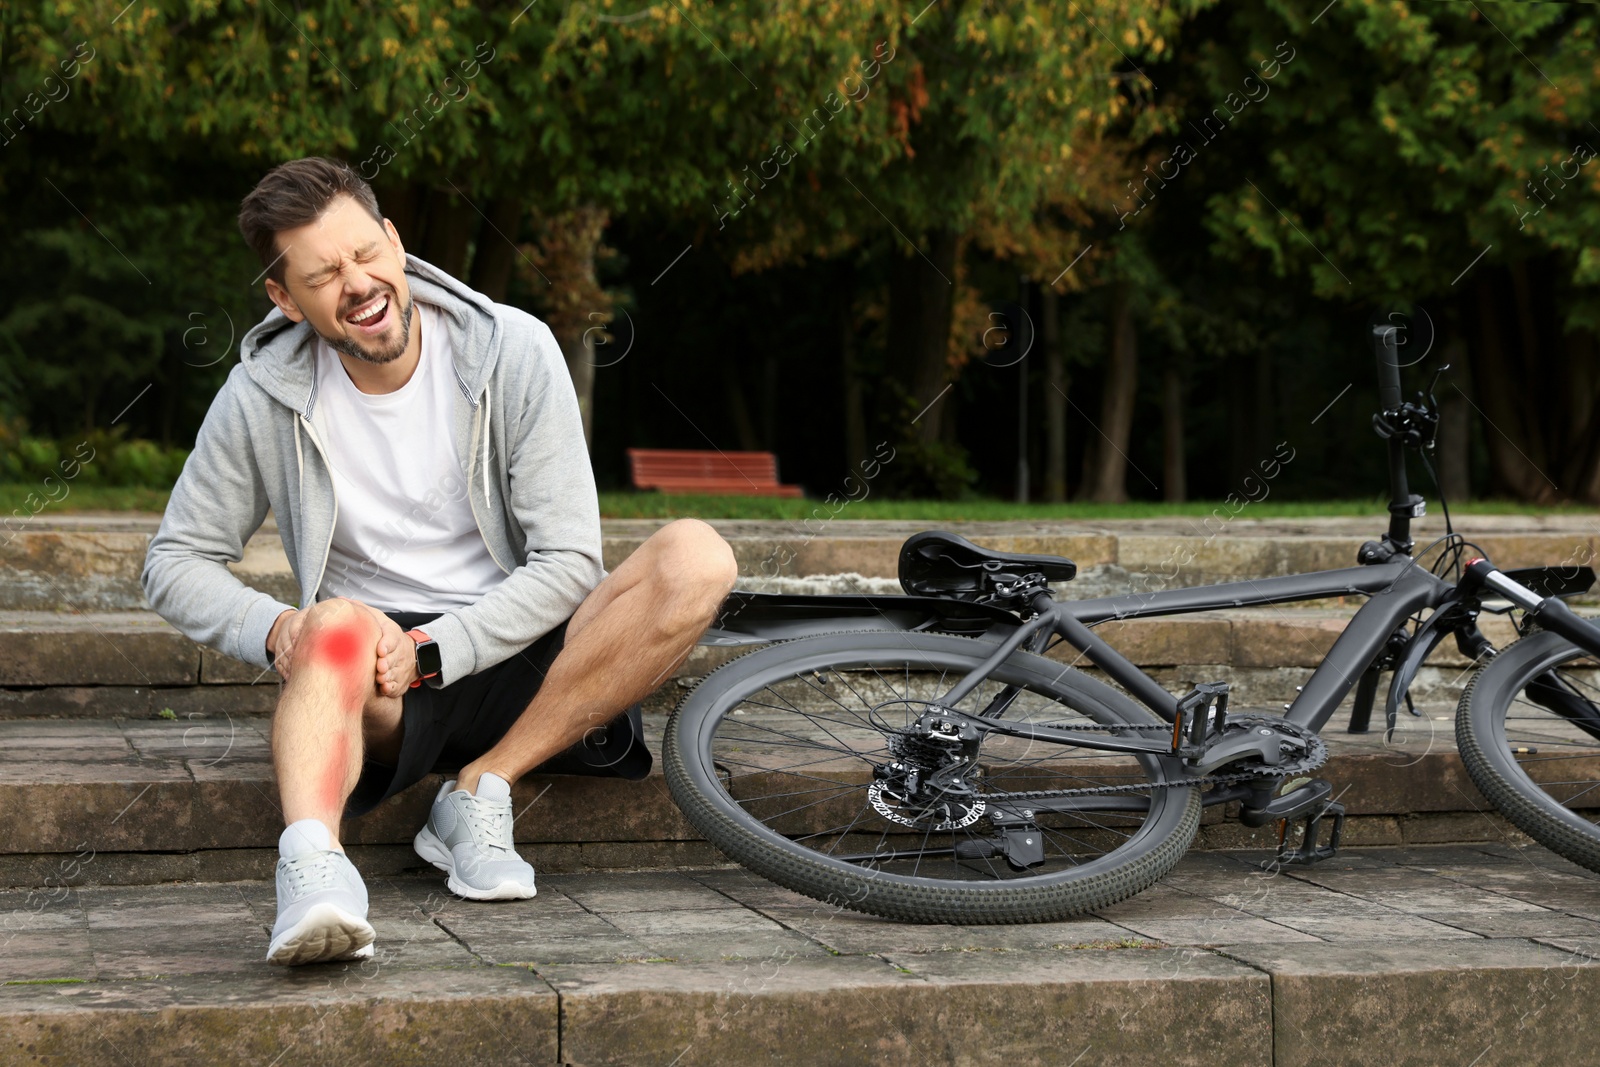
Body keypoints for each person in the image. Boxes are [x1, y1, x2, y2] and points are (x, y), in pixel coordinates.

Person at [142, 157, 738, 966]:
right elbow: (175, 559)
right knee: (334, 627)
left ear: (393, 239)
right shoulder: (260, 394)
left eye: (364, 252)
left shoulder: (513, 350)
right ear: (284, 297)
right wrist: (278, 625)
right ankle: (316, 874)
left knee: (698, 556)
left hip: (537, 652)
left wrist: (435, 649)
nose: (356, 283)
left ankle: (481, 788)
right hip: (377, 671)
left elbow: (567, 563)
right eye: (322, 274)